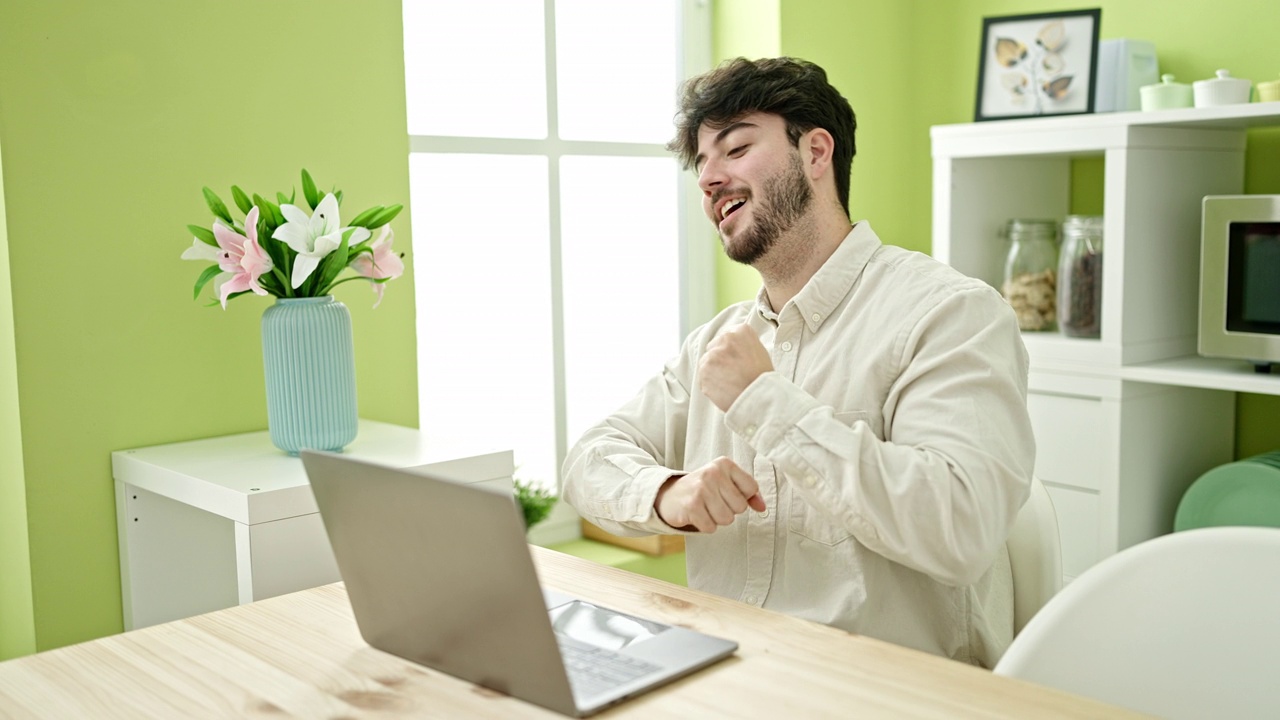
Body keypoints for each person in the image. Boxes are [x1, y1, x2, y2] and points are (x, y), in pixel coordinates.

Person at [561, 57, 1035, 668]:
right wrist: (669, 492)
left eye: (734, 148)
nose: (708, 179)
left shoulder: (951, 314)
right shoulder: (719, 341)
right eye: (701, 164)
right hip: (729, 675)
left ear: (815, 152)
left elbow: (960, 528)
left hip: (887, 694)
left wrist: (764, 401)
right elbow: (589, 459)